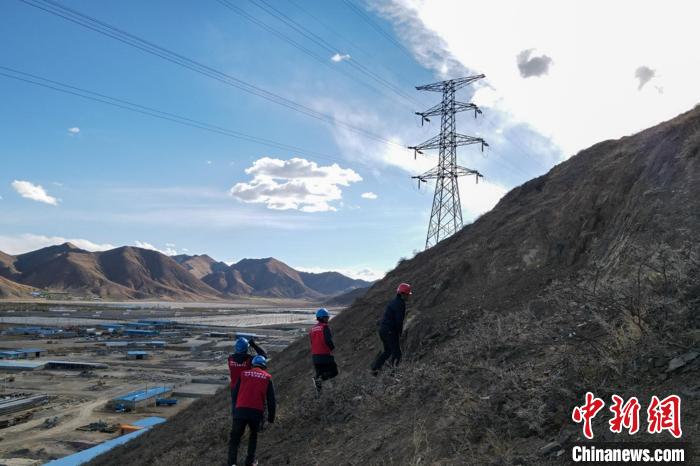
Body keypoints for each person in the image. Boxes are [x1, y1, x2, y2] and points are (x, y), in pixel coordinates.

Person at [228, 355, 276, 466]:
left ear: (253, 364)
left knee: (235, 439)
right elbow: (271, 401)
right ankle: (249, 462)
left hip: (240, 410)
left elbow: (234, 395)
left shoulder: (243, 374)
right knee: (253, 436)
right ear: (264, 366)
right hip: (256, 412)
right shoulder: (267, 377)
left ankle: (232, 463)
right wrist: (270, 419)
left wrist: (235, 411)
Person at [371, 283, 412, 374]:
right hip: (390, 331)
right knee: (397, 354)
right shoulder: (400, 304)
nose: (409, 296)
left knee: (388, 351)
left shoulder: (394, 301)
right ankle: (393, 374)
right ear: (403, 294)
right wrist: (400, 334)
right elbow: (399, 321)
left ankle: (375, 369)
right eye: (408, 294)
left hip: (383, 330)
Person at [227, 337, 266, 409]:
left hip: (234, 388)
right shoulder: (249, 360)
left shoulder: (230, 359)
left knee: (235, 408)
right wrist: (254, 345)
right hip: (246, 388)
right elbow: (263, 356)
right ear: (246, 349)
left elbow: (236, 357)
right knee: (245, 407)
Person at [309, 308, 338, 393]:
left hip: (315, 356)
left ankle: (319, 395)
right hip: (325, 354)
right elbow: (328, 340)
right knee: (334, 372)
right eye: (327, 317)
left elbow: (311, 342)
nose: (328, 319)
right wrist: (333, 348)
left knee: (319, 374)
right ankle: (319, 380)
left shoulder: (312, 329)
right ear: (322, 318)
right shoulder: (325, 327)